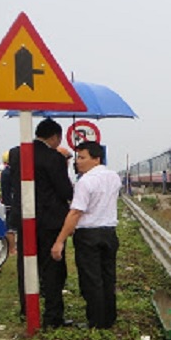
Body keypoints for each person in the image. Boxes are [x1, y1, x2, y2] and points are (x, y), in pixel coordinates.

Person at [9, 118, 75, 327]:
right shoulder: (53, 158)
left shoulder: (17, 154)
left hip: (25, 219)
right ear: (55, 136)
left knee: (26, 264)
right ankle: (53, 316)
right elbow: (64, 190)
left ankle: (26, 310)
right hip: (50, 222)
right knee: (53, 269)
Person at [51, 141, 121, 329]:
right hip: (109, 233)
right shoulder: (114, 177)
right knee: (108, 277)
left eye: (83, 158)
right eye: (78, 158)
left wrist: (59, 241)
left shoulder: (85, 182)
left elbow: (75, 213)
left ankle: (96, 321)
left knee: (91, 280)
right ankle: (109, 317)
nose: (78, 162)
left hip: (88, 235)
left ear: (96, 159)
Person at [0, 150, 16, 256]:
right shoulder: (9, 173)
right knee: (11, 228)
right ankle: (12, 249)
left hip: (7, 201)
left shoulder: (4, 172)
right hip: (10, 203)